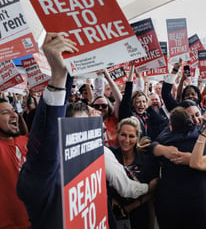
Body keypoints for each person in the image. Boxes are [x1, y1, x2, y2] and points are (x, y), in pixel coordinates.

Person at [17, 33, 155, 228]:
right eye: (81, 129)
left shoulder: (99, 151)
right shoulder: (45, 171)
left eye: (93, 127)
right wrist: (59, 75)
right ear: (62, 133)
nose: (89, 133)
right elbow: (46, 146)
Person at [151, 107, 206, 229]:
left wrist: (161, 149)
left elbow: (152, 146)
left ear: (171, 126)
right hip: (196, 201)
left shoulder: (165, 139)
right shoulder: (201, 137)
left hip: (169, 202)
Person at [108, 117, 159, 229]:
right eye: (123, 135)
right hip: (113, 215)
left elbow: (152, 192)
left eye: (131, 136)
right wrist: (111, 200)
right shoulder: (110, 155)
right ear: (117, 134)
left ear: (137, 138)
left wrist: (128, 208)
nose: (126, 140)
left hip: (140, 214)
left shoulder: (148, 161)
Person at [0, 98, 30, 229]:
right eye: (5, 112)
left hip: (39, 220)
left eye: (14, 111)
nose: (14, 115)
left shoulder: (28, 141)